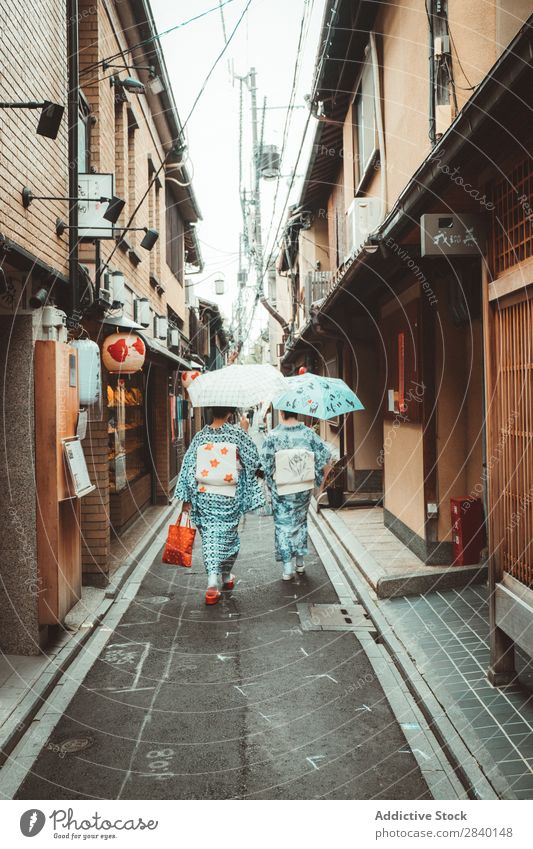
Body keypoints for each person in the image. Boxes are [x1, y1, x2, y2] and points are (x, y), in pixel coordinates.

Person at [175, 406, 264, 604]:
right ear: (230, 412)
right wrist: (245, 431)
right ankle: (215, 580)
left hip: (205, 495)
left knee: (210, 537)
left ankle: (219, 578)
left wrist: (186, 499)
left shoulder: (200, 437)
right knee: (228, 536)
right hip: (228, 495)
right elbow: (253, 460)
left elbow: (189, 468)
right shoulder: (236, 434)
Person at [260, 410, 332, 581]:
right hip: (303, 488)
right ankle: (300, 562)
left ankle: (287, 567)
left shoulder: (273, 435)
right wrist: (319, 484)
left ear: (281, 412)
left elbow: (265, 464)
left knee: (283, 525)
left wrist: (270, 483)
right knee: (300, 522)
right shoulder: (308, 433)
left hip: (282, 489)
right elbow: (326, 456)